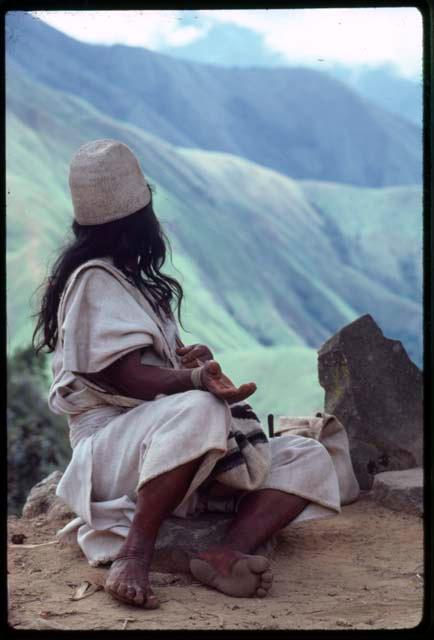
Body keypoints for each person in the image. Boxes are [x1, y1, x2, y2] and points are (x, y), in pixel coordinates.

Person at [33, 139, 359, 609]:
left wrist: (186, 364)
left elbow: (147, 371)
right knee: (201, 407)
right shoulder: (93, 280)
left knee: (308, 455)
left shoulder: (128, 282)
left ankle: (226, 552)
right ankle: (135, 552)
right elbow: (126, 377)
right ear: (141, 217)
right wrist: (194, 382)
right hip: (109, 453)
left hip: (162, 446)